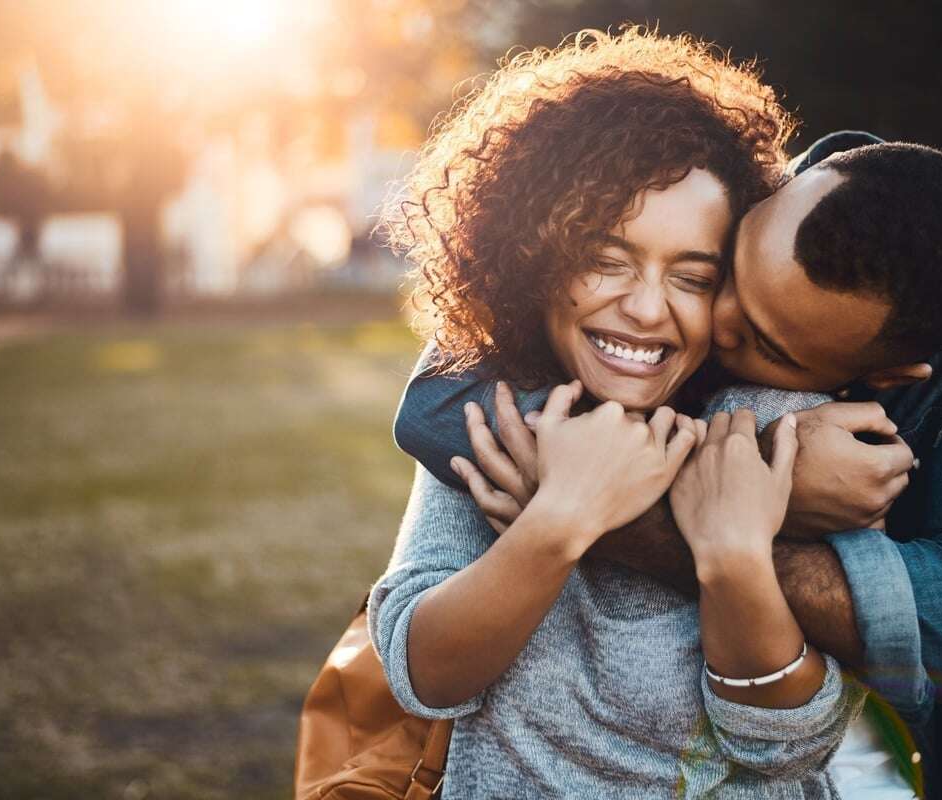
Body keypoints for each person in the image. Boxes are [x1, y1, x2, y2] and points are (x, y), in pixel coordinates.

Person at [396, 129, 942, 798]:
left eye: (766, 340)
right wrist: (753, 478)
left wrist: (729, 526)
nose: (711, 320)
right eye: (726, 269)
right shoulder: (710, 202)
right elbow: (434, 405)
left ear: (884, 377)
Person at [370, 28, 869, 798]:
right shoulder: (497, 409)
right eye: (605, 260)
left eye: (692, 277)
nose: (643, 310)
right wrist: (563, 516)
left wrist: (731, 554)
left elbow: (788, 748)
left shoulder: (778, 426)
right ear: (534, 256)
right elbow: (424, 675)